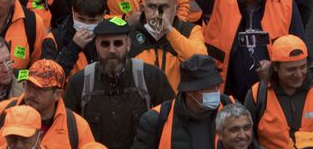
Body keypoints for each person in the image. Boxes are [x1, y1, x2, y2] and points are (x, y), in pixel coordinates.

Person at [62, 17, 176, 148]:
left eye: (118, 43)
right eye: (105, 44)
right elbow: (65, 130)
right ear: (97, 46)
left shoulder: (151, 76)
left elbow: (172, 122)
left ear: (128, 45)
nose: (111, 50)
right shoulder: (79, 83)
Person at [133, 54, 232, 149]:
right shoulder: (157, 120)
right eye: (209, 87)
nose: (216, 91)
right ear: (190, 91)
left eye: (217, 85)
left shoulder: (231, 108)